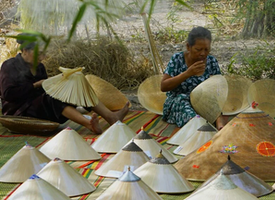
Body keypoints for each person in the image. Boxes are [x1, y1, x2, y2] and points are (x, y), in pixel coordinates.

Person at [0, 35, 129, 134]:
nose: (42, 57)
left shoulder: (39, 67)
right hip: (20, 110)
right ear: (24, 50)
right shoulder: (9, 66)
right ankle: (88, 124)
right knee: (54, 98)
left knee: (76, 84)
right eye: (38, 53)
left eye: (43, 53)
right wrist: (35, 85)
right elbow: (8, 94)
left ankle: (110, 116)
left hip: (39, 105)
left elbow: (45, 90)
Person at [161, 27, 224, 128]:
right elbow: (164, 86)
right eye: (198, 50)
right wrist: (187, 73)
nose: (203, 53)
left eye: (206, 49)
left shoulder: (211, 62)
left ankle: (218, 122)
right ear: (188, 47)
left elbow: (218, 90)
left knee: (211, 102)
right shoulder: (177, 59)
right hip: (179, 102)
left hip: (202, 102)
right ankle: (198, 126)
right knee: (183, 101)